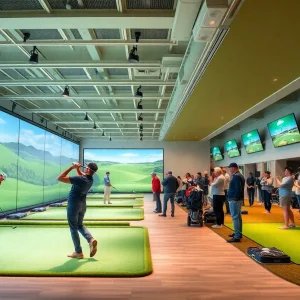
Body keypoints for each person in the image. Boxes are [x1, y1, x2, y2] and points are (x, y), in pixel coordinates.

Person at [57, 162, 98, 259]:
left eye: (86, 167)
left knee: (73, 228)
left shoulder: (79, 179)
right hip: (82, 205)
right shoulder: (90, 179)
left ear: (88, 169)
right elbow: (82, 176)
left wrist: (71, 167)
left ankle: (78, 252)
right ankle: (91, 240)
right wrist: (78, 169)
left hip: (74, 205)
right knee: (79, 225)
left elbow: (60, 178)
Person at [226, 163, 245, 243]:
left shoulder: (237, 176)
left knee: (235, 217)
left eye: (230, 168)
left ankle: (237, 236)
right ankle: (238, 233)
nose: (229, 170)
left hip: (235, 200)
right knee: (238, 217)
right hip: (238, 199)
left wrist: (235, 198)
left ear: (233, 168)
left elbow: (238, 189)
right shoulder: (240, 175)